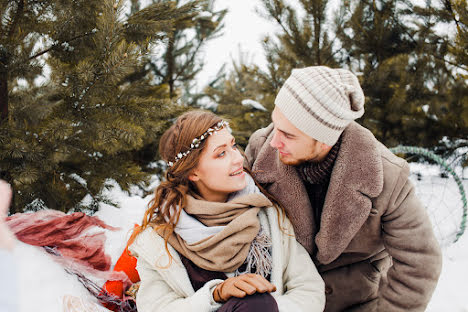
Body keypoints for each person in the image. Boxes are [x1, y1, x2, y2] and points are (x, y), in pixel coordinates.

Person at [244, 66, 442, 311]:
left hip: (355, 303)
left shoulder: (388, 176)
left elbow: (419, 262)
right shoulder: (259, 150)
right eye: (275, 125)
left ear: (325, 138)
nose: (274, 141)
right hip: (284, 301)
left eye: (288, 135)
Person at [128, 110, 325, 312]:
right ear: (192, 172)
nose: (238, 159)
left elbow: (309, 289)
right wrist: (215, 295)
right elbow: (156, 308)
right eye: (221, 153)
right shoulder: (160, 240)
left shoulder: (267, 214)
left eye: (233, 146)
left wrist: (267, 309)